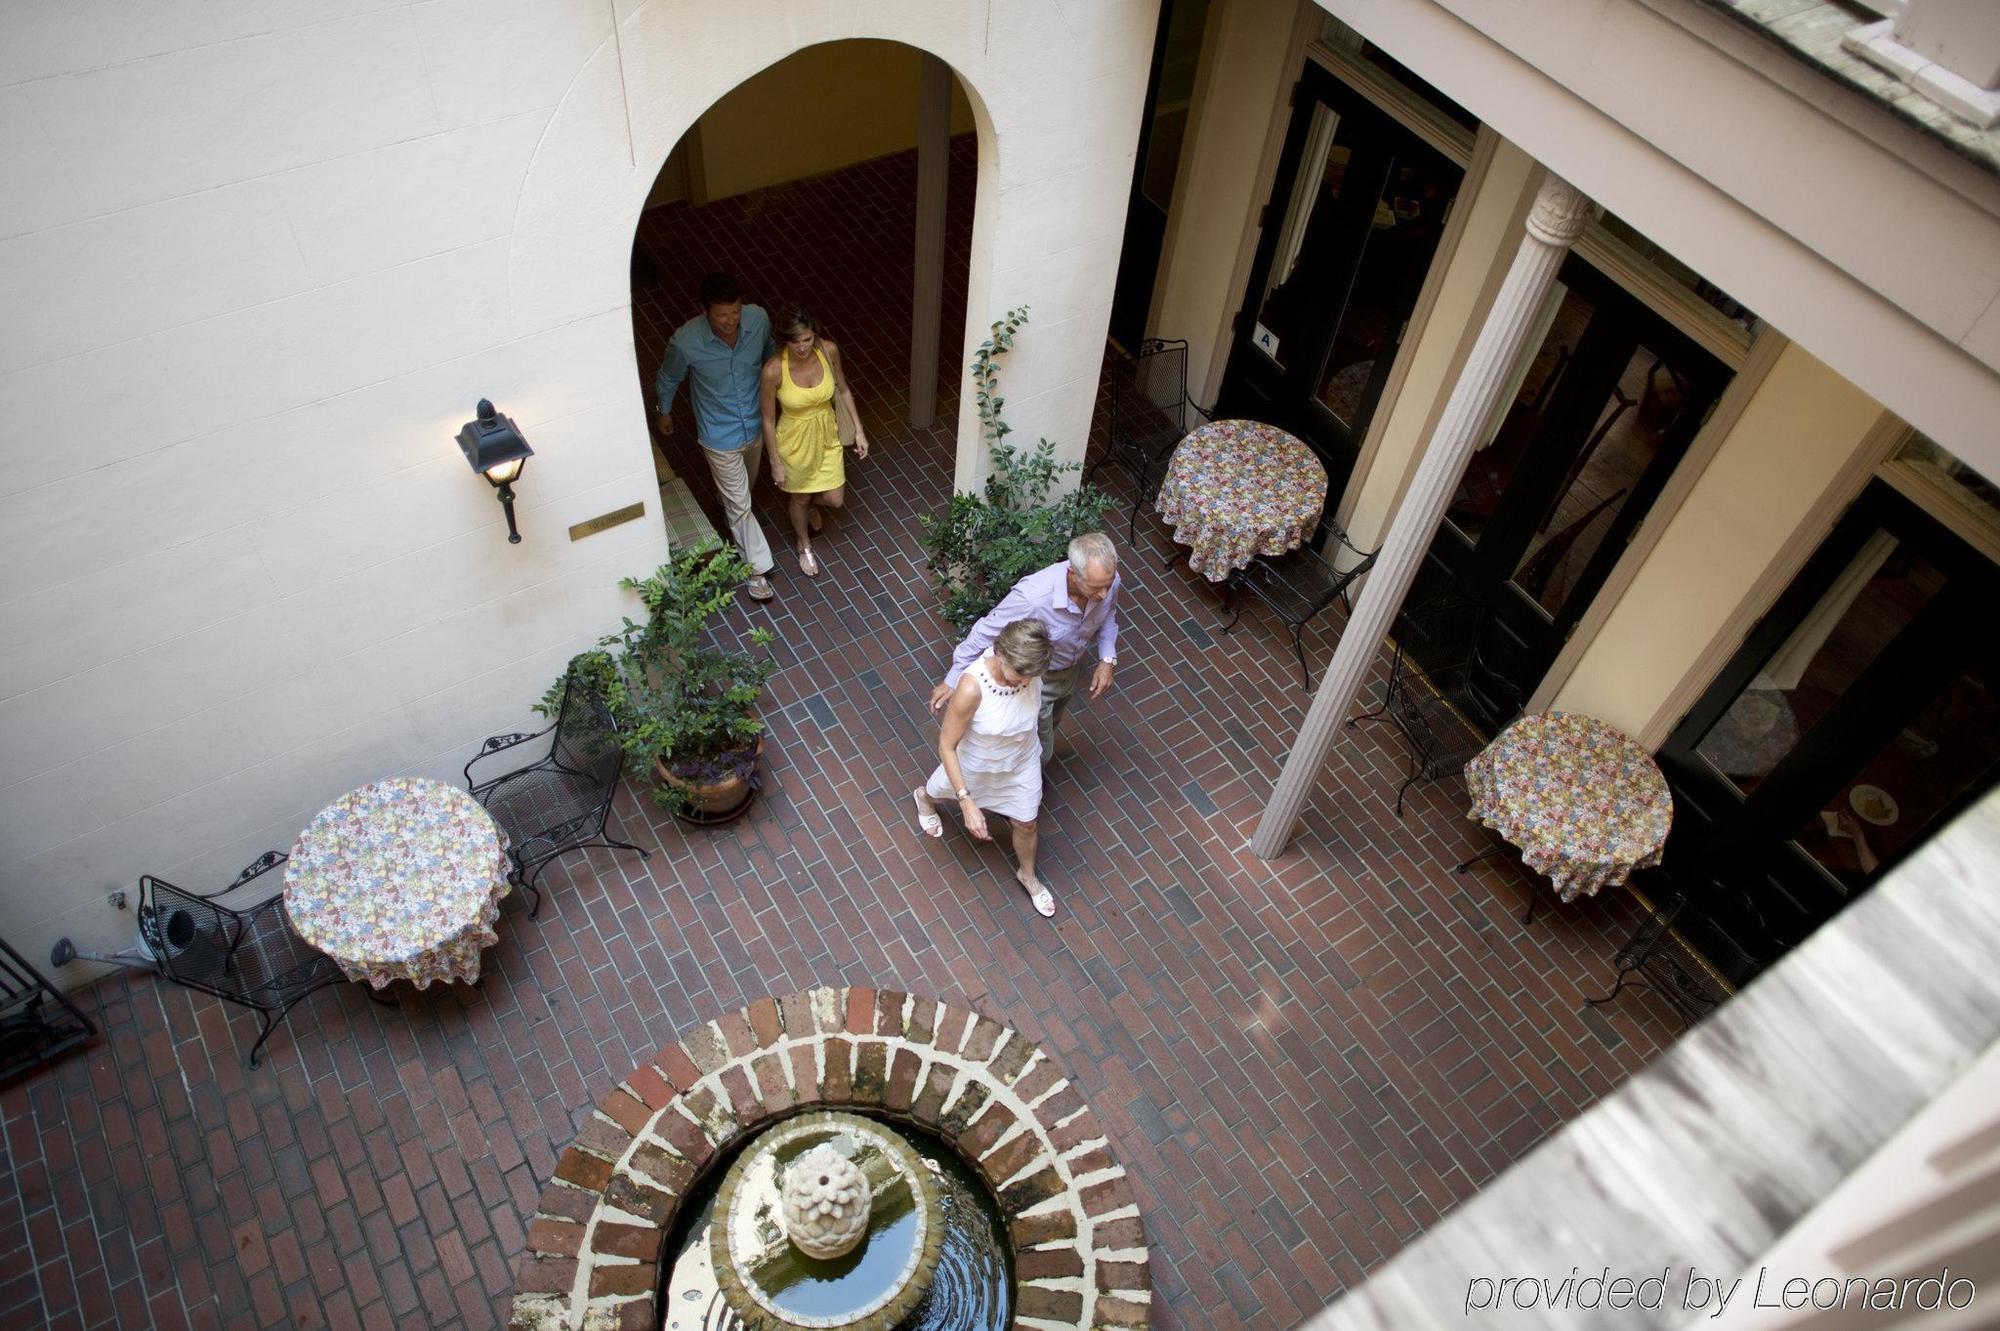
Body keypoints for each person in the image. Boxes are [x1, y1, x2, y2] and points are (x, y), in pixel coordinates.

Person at [928, 532, 1121, 768]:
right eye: (1096, 588)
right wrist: (954, 677)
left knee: (1048, 726)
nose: (1104, 594)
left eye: (1107, 586)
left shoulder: (1109, 580)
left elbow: (1108, 613)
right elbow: (985, 631)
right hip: (1034, 678)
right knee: (1041, 752)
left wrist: (1107, 658)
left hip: (1068, 674)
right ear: (1072, 574)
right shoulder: (1033, 598)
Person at [912, 618, 1060, 918]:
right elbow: (947, 746)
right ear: (1001, 654)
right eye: (1020, 674)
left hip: (1020, 762)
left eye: (1032, 675)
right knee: (941, 791)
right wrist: (967, 803)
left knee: (1027, 822)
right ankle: (923, 799)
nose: (1026, 682)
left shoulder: (1029, 672)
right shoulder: (972, 688)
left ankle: (1028, 875)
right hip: (977, 764)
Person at [653, 272, 779, 601]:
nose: (729, 321)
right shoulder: (686, 342)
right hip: (718, 434)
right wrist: (663, 411)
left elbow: (770, 355)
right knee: (739, 504)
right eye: (721, 315)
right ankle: (757, 571)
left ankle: (731, 510)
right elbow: (668, 377)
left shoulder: (759, 320)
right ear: (704, 310)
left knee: (742, 493)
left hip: (754, 425)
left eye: (735, 312)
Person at [760, 307, 870, 577]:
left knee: (835, 499)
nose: (802, 346)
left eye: (807, 339)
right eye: (795, 341)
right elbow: (767, 420)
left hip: (827, 433)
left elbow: (843, 389)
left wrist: (859, 430)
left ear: (815, 335)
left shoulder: (828, 351)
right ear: (785, 340)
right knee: (800, 496)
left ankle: (809, 507)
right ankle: (804, 543)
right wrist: (775, 462)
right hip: (794, 441)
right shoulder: (774, 369)